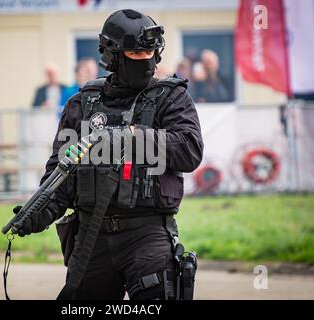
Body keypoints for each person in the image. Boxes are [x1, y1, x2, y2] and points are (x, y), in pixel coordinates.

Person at [13, 9, 203, 300]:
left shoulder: (171, 97)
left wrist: (132, 137)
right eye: (136, 54)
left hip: (147, 235)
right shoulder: (83, 105)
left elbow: (189, 150)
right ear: (113, 56)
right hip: (91, 237)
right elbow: (61, 173)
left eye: (151, 52)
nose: (147, 61)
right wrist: (39, 213)